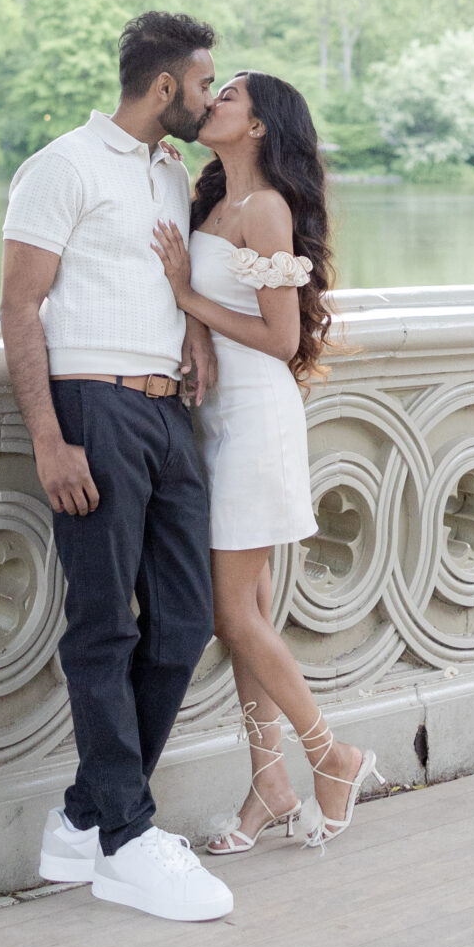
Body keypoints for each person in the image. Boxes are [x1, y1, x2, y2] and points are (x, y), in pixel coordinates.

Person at [0, 10, 235, 924]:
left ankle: (82, 819)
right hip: (89, 407)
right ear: (165, 86)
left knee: (182, 623)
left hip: (167, 415)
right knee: (104, 627)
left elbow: (165, 283)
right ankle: (128, 842)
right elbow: (21, 309)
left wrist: (192, 341)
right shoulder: (61, 167)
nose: (211, 98)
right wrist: (48, 440)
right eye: (204, 83)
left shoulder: (169, 172)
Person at [152, 69, 380, 852]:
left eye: (229, 97)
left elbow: (282, 341)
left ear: (256, 127)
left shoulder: (266, 210)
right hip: (215, 420)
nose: (212, 102)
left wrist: (187, 298)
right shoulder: (213, 203)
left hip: (255, 419)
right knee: (244, 619)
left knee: (230, 614)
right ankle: (268, 788)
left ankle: (332, 755)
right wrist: (188, 321)